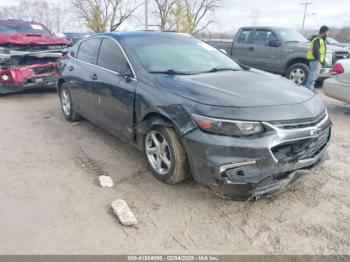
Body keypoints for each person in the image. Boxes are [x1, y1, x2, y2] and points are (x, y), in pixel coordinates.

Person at [305, 25, 330, 91]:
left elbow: (321, 51)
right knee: (313, 76)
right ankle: (308, 90)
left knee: (314, 76)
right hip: (315, 60)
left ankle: (310, 89)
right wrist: (319, 60)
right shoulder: (318, 39)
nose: (328, 34)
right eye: (327, 32)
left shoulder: (320, 39)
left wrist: (322, 61)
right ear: (324, 32)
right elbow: (316, 50)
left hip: (316, 60)